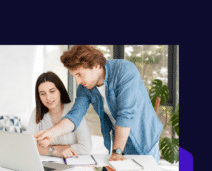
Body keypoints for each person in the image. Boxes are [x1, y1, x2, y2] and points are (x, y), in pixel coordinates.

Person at [34, 45, 163, 164]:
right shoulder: (84, 88)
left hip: (145, 138)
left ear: (95, 65)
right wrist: (51, 133)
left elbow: (125, 114)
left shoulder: (124, 70)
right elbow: (75, 116)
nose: (78, 81)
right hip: (120, 140)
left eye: (79, 74)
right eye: (74, 76)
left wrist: (117, 151)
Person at [25, 71, 92, 159]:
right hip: (48, 163)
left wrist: (47, 149)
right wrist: (55, 151)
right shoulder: (37, 112)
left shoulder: (74, 110)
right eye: (43, 94)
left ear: (60, 91)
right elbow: (27, 145)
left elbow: (86, 148)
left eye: (52, 91)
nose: (48, 98)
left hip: (73, 163)